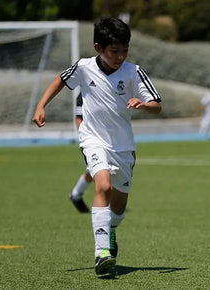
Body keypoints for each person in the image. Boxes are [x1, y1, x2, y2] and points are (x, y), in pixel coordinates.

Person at [32, 17, 162, 276]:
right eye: (115, 51)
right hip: (92, 139)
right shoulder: (84, 67)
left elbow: (157, 105)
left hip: (123, 146)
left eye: (125, 50)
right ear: (98, 47)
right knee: (102, 185)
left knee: (120, 206)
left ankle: (110, 231)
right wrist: (40, 105)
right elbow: (59, 79)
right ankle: (101, 253)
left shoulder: (134, 72)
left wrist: (143, 104)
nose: (121, 56)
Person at [69, 93, 92, 213]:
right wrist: (84, 139)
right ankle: (106, 207)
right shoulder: (84, 92)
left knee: (95, 172)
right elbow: (79, 118)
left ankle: (76, 194)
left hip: (108, 139)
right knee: (100, 172)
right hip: (91, 140)